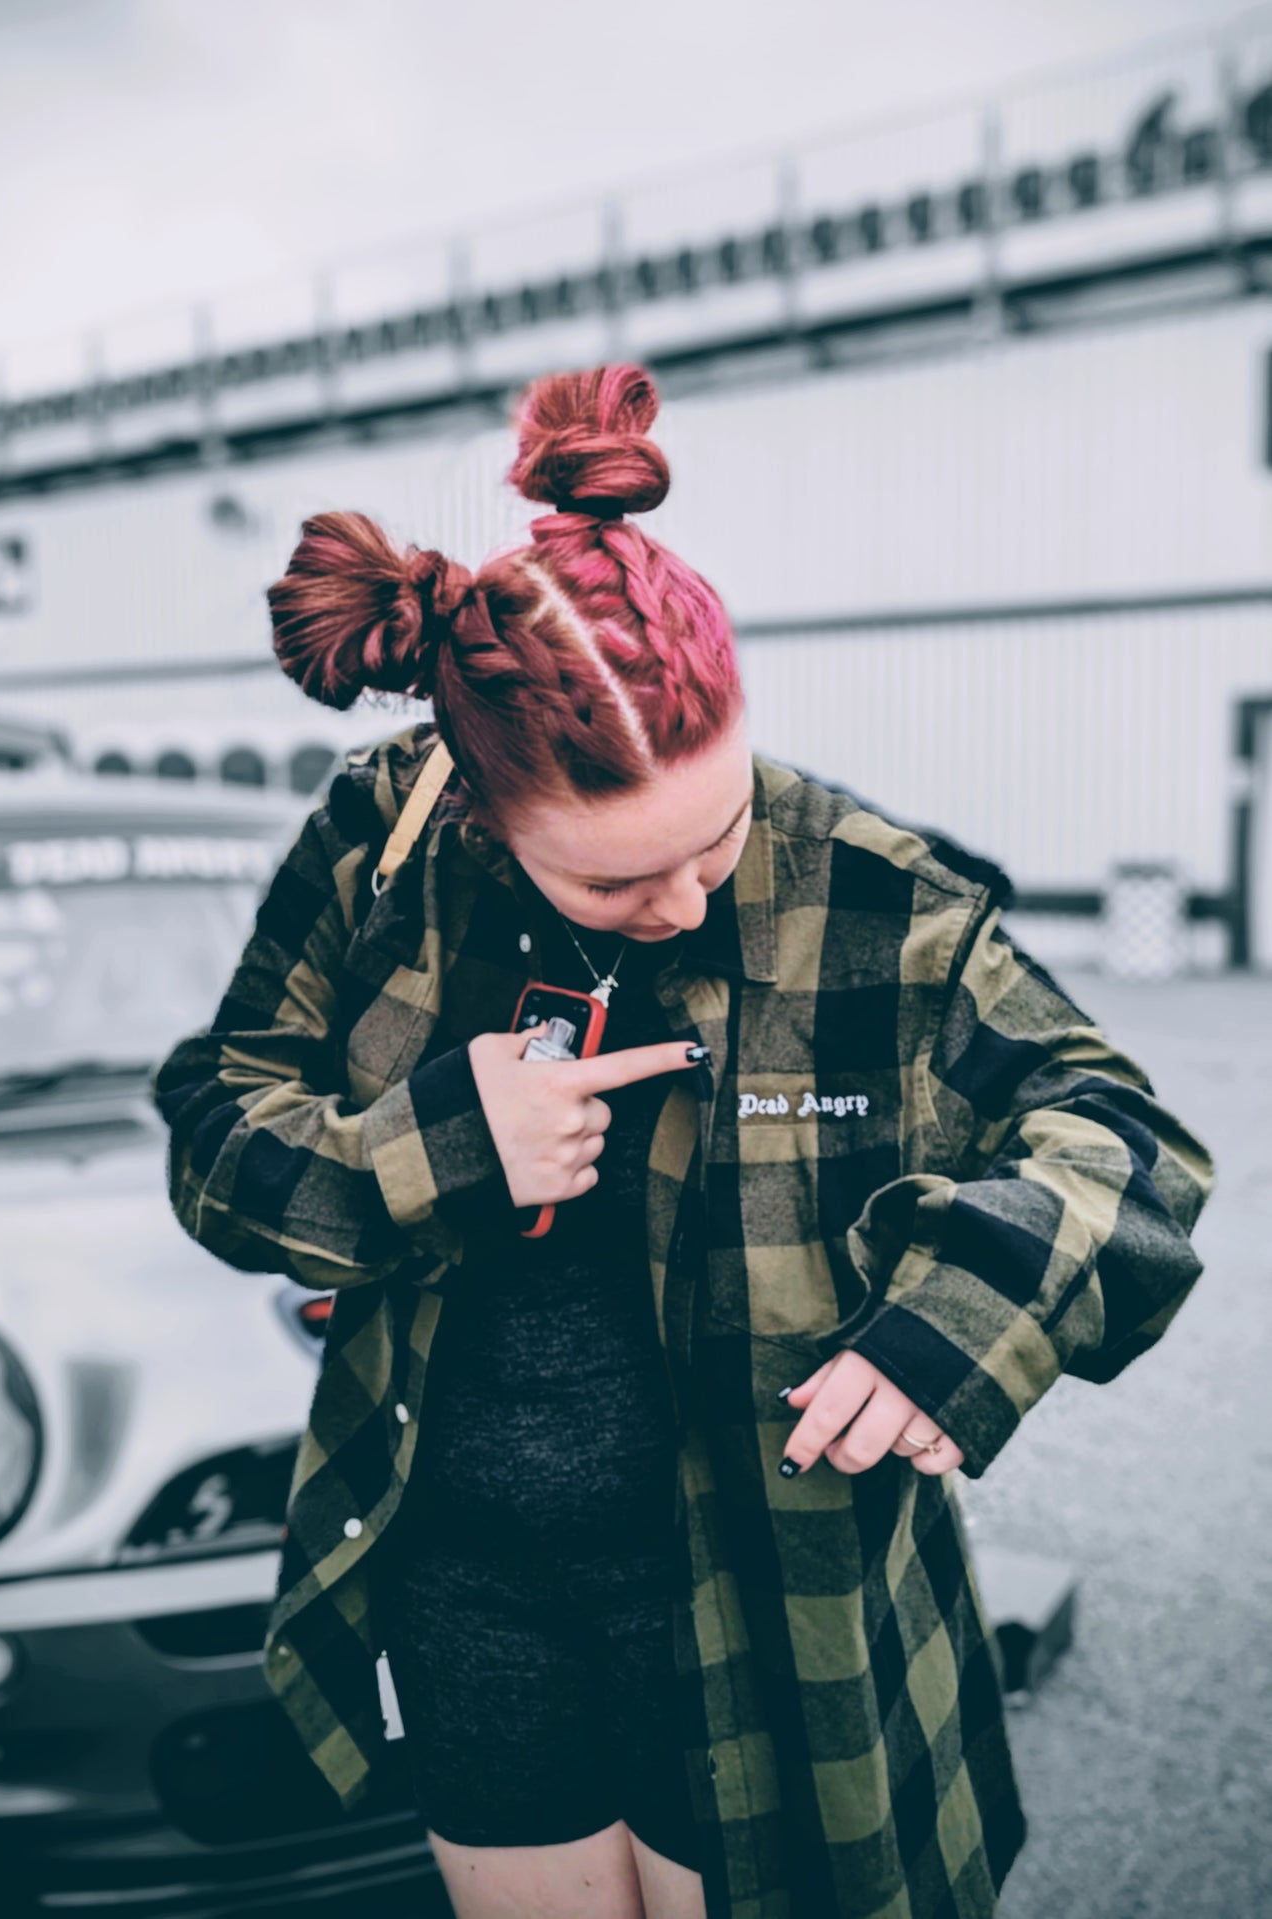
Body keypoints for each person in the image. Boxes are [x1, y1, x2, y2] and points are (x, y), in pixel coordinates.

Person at [153, 362, 1215, 1919]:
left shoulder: (879, 899)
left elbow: (1123, 1144)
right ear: (485, 816)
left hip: (769, 1595)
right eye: (612, 884)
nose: (688, 903)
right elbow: (212, 1126)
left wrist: (958, 1318)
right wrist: (433, 1144)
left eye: (716, 838)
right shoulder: (383, 852)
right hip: (467, 1583)